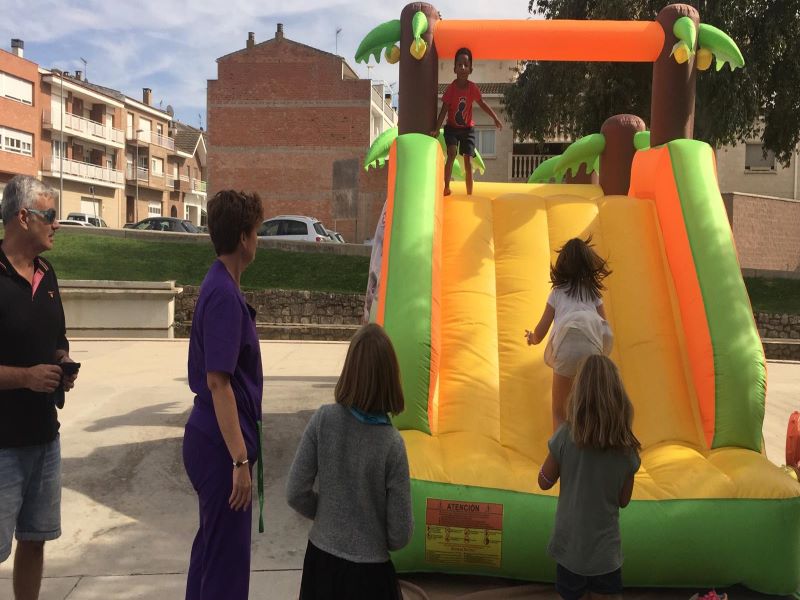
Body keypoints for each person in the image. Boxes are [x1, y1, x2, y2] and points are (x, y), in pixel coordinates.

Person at [286, 323, 413, 599]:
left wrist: (329, 515)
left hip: (321, 563)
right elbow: (400, 533)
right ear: (391, 376)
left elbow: (295, 492)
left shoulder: (323, 420)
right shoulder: (392, 445)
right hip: (370, 575)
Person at [182, 189, 265, 600]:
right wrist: (240, 460)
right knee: (226, 569)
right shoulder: (224, 296)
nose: (258, 240)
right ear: (244, 237)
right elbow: (219, 383)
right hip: (220, 446)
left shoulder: (222, 286)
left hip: (213, 440)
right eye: (257, 232)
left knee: (212, 556)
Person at [0, 175, 78, 600]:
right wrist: (25, 377)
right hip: (2, 446)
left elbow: (57, 339)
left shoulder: (48, 274)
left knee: (35, 540)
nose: (57, 224)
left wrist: (62, 361)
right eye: (50, 215)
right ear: (23, 217)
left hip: (45, 439)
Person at [538, 355, 641, 600]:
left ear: (578, 395)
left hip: (570, 550)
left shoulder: (565, 436)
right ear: (618, 397)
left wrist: (557, 460)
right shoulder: (627, 449)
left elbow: (544, 481)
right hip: (605, 555)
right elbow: (623, 500)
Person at [526, 237, 613, 430]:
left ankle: (560, 446)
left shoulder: (557, 293)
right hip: (592, 348)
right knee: (591, 407)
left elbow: (541, 330)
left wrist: (532, 338)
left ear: (562, 265)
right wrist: (602, 354)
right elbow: (604, 327)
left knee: (559, 411)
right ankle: (592, 440)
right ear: (589, 265)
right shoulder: (593, 294)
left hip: (566, 346)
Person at [431, 47, 503, 196]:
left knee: (468, 161)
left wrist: (495, 118)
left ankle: (470, 194)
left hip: (467, 130)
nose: (462, 67)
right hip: (452, 128)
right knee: (451, 153)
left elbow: (482, 104)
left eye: (466, 65)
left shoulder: (472, 88)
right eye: (459, 65)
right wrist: (437, 128)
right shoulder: (451, 89)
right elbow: (443, 110)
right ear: (454, 69)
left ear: (470, 69)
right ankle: (446, 187)